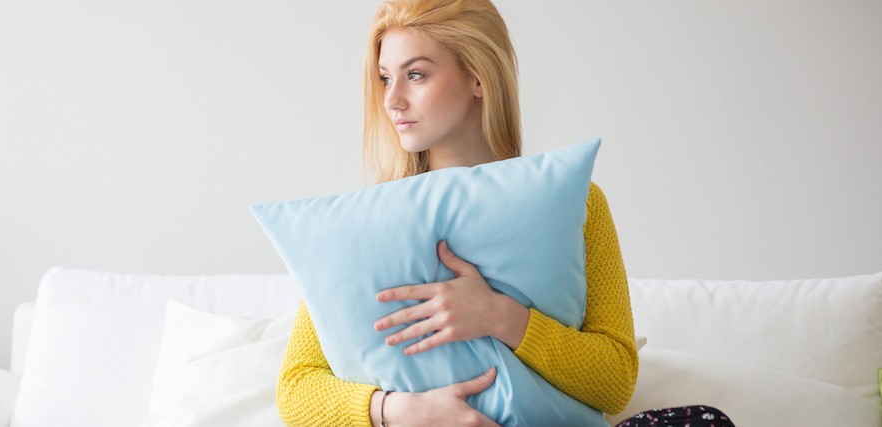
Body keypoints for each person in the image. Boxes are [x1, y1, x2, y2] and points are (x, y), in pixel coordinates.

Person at [276, 1, 651, 425]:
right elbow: (296, 386)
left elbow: (616, 382)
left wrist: (500, 315)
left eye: (415, 74)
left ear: (478, 76)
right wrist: (401, 411)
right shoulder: (367, 221)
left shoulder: (578, 202)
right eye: (384, 78)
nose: (392, 100)